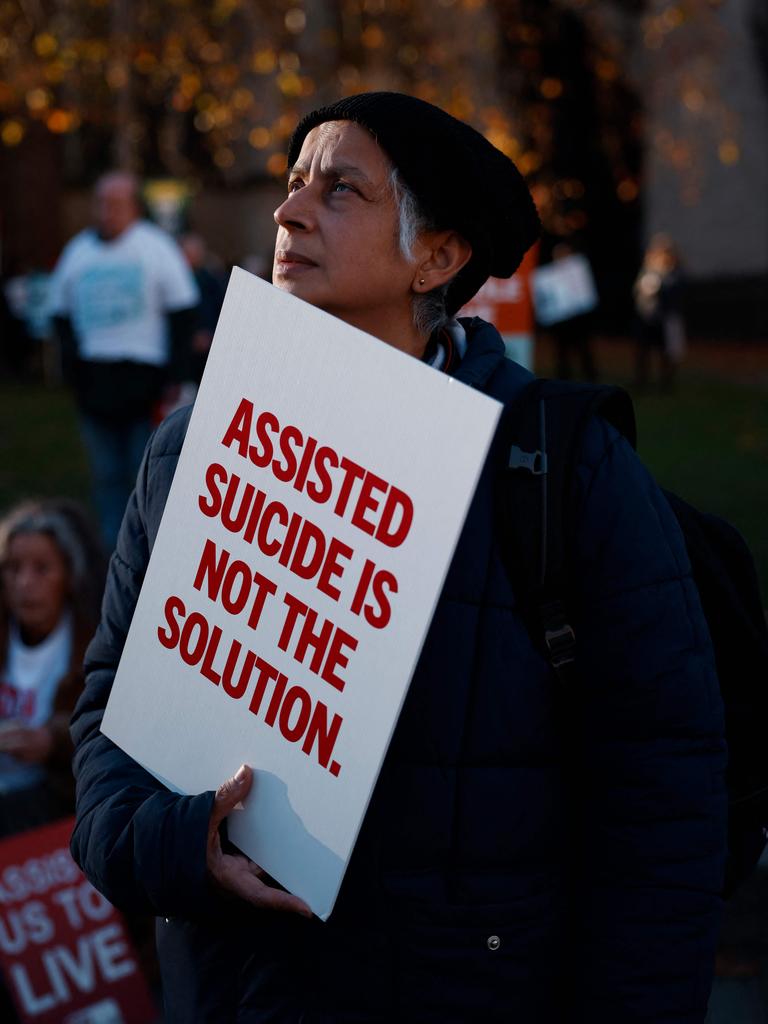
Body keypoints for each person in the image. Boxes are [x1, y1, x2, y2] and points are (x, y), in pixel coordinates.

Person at [70, 93, 727, 1022]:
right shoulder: (192, 448)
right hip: (244, 991)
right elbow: (105, 724)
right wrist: (176, 848)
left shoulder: (559, 468)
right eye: (294, 183)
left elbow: (666, 799)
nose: (288, 212)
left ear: (440, 255)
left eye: (340, 190)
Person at [47, 171, 200, 551]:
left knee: (145, 479)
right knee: (106, 479)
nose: (107, 211)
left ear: (134, 207)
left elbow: (183, 315)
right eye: (101, 203)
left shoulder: (155, 248)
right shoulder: (78, 253)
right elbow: (60, 317)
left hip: (144, 383)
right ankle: (113, 557)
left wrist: (175, 378)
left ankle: (150, 558)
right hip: (95, 384)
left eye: (116, 204)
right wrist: (74, 376)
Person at [0, 499, 104, 838]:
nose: (25, 583)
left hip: (58, 801)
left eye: (42, 569)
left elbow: (106, 729)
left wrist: (52, 741)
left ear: (69, 576)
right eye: (13, 568)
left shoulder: (94, 642)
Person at [633, 233, 686, 391]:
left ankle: (666, 382)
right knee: (643, 351)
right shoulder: (647, 271)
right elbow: (637, 292)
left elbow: (677, 296)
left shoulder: (674, 273)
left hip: (664, 319)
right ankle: (642, 380)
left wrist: (660, 290)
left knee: (666, 352)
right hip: (646, 318)